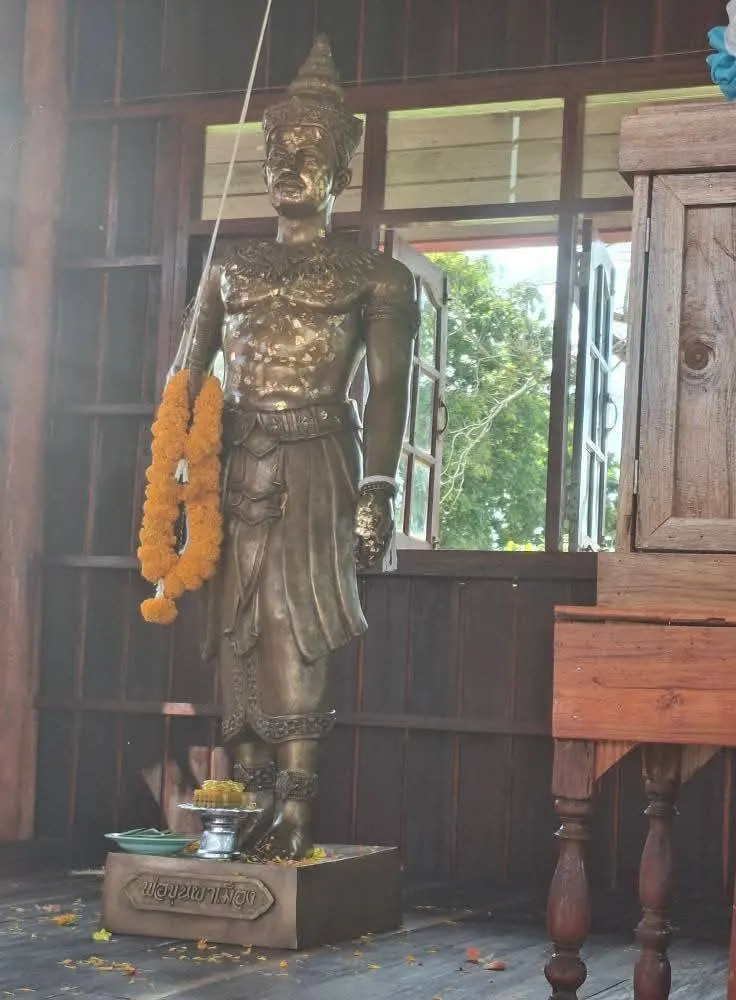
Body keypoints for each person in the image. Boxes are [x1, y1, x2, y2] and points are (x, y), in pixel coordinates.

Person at [170, 35, 418, 860]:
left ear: (342, 165)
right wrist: (178, 465)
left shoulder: (373, 276)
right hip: (233, 457)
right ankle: (242, 803)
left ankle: (298, 811)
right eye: (279, 149)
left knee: (294, 621)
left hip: (317, 456)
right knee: (233, 627)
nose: (291, 163)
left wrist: (379, 486)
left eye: (311, 151)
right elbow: (186, 370)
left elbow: (389, 386)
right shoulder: (230, 268)